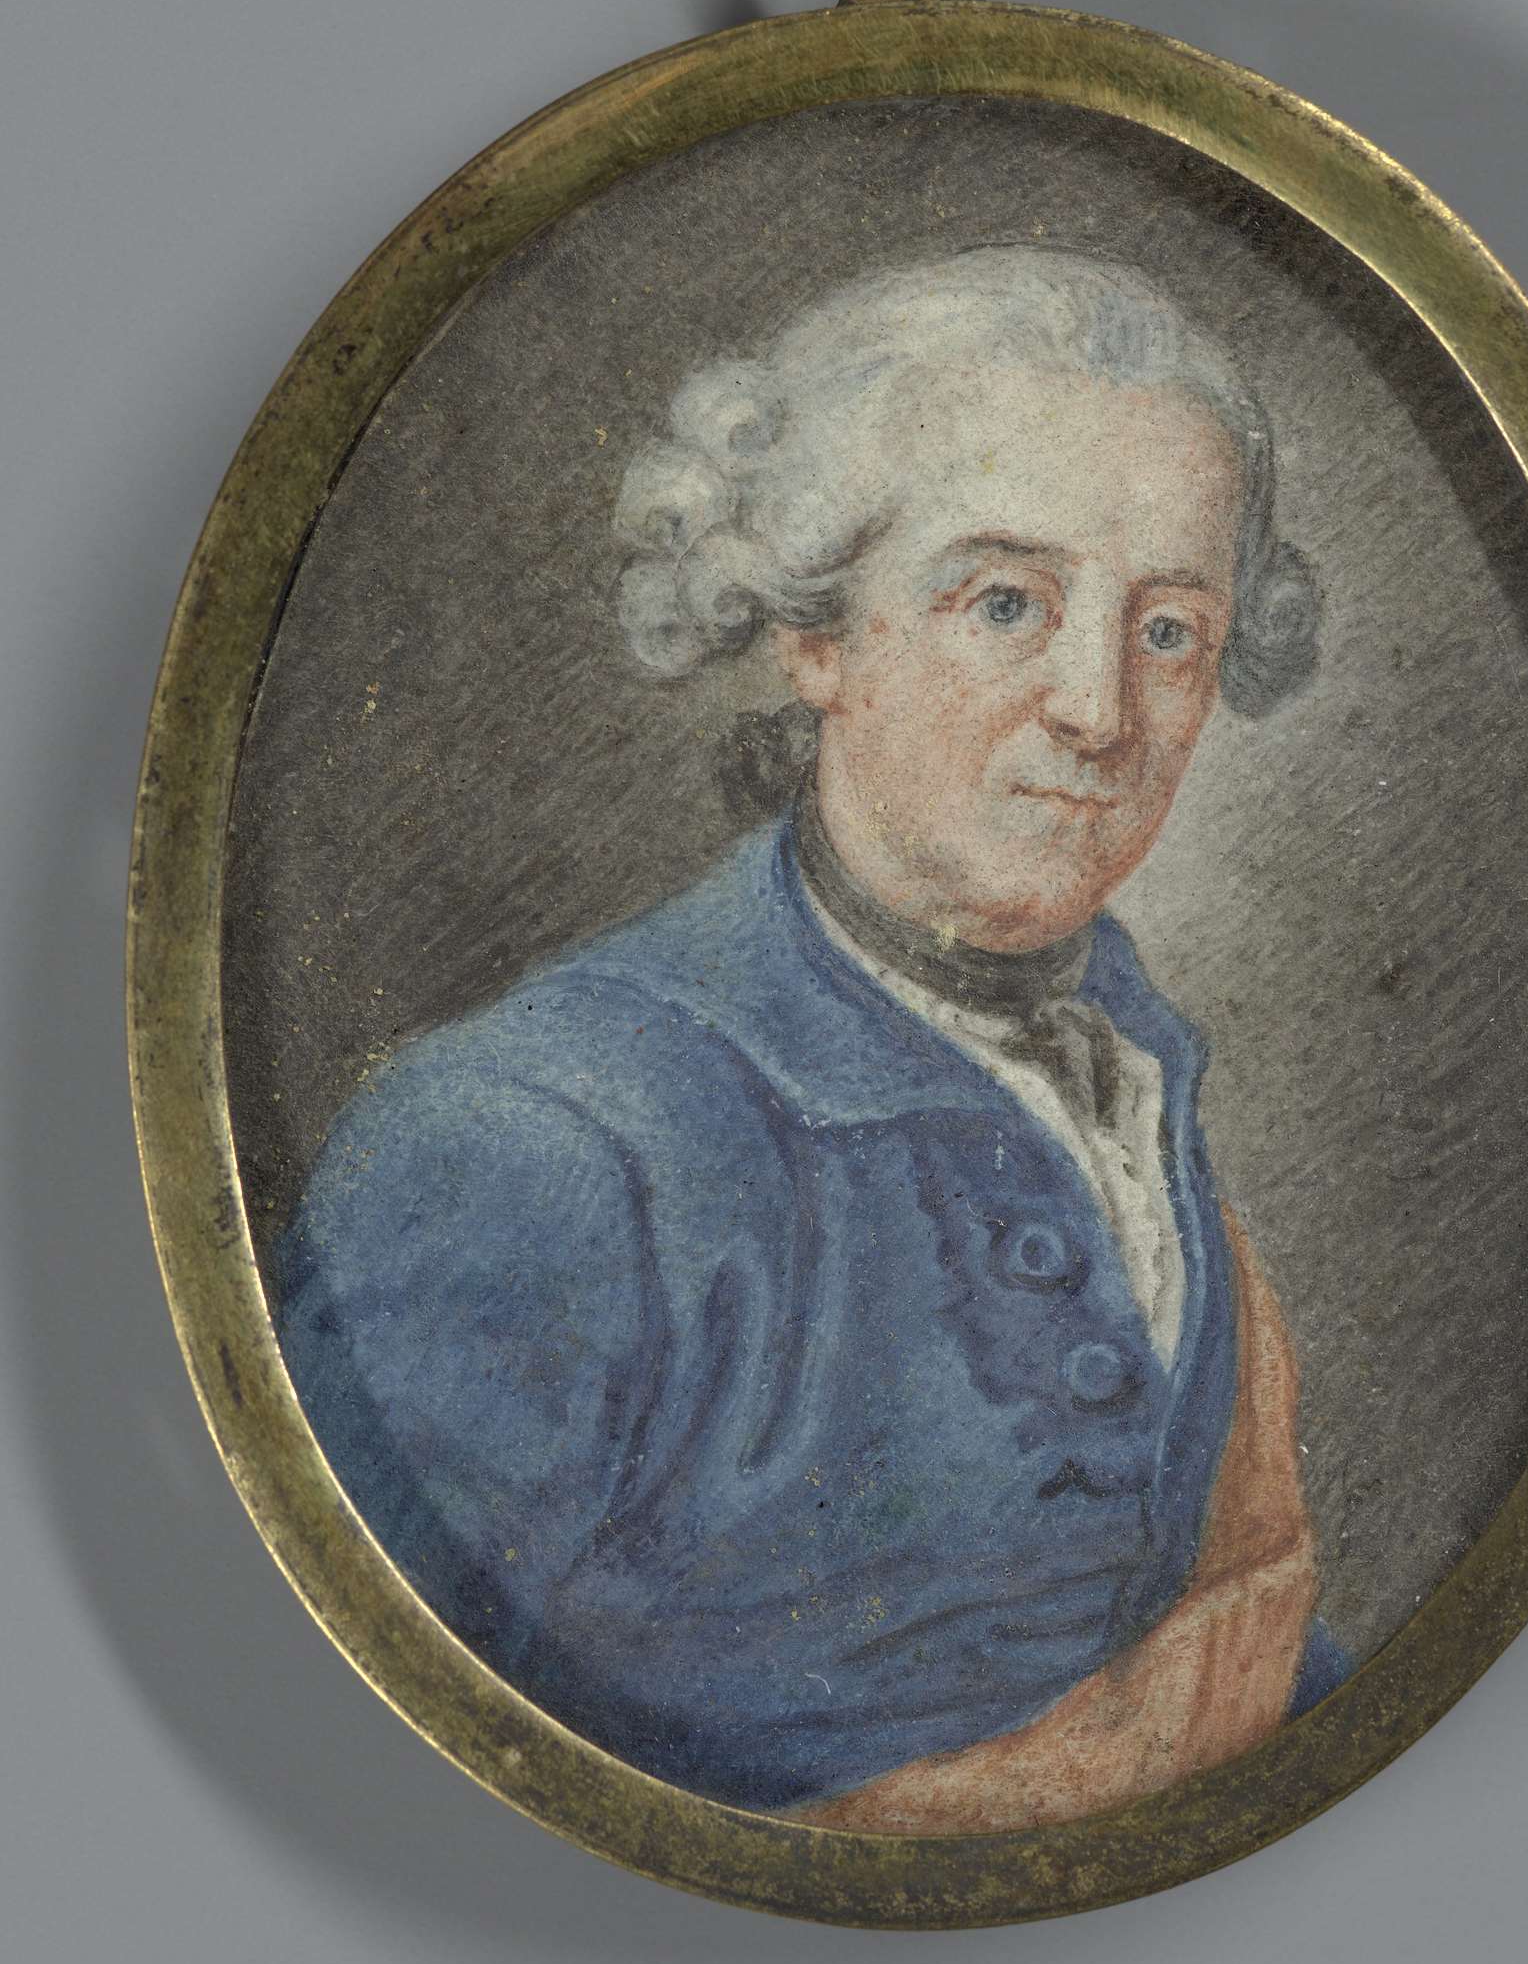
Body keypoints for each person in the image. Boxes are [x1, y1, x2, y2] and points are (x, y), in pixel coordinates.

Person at [274, 245, 1350, 1830]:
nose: (1101, 709)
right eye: (1006, 602)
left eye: (1172, 629)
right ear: (817, 635)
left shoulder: (1133, 1081)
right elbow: (346, 1749)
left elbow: (1243, 1692)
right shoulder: (534, 1142)